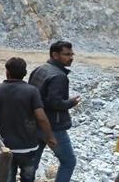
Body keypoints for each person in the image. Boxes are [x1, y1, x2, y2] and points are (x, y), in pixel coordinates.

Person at [0, 57, 57, 182]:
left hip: (5, 147)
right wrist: (50, 136)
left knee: (7, 178)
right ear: (25, 73)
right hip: (28, 148)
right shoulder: (32, 91)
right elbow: (41, 118)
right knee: (28, 177)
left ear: (7, 72)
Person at [30, 41, 80, 182]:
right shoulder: (59, 76)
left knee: (32, 163)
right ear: (55, 55)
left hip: (35, 123)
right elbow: (54, 103)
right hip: (53, 127)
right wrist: (71, 102)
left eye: (72, 54)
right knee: (69, 162)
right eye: (67, 54)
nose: (71, 57)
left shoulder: (39, 69)